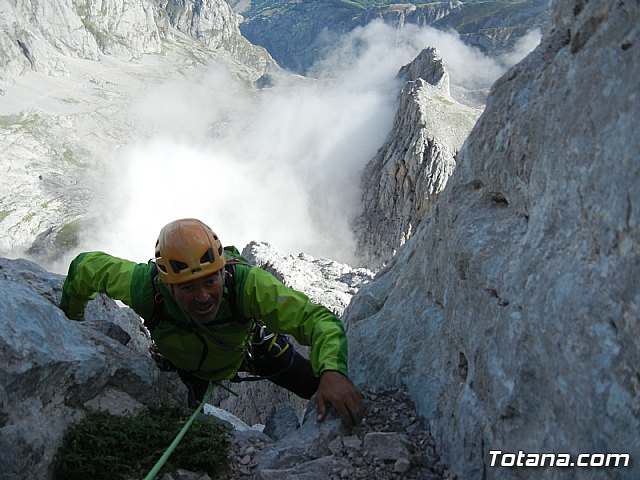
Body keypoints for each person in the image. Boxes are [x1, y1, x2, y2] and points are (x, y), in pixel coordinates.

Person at [59, 218, 364, 427]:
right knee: (186, 433)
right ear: (168, 285)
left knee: (319, 389)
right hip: (184, 371)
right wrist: (69, 325)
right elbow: (86, 268)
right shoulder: (145, 287)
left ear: (222, 272)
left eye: (210, 281)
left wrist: (333, 371)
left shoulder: (247, 285)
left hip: (249, 352)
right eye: (188, 288)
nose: (203, 296)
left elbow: (317, 320)